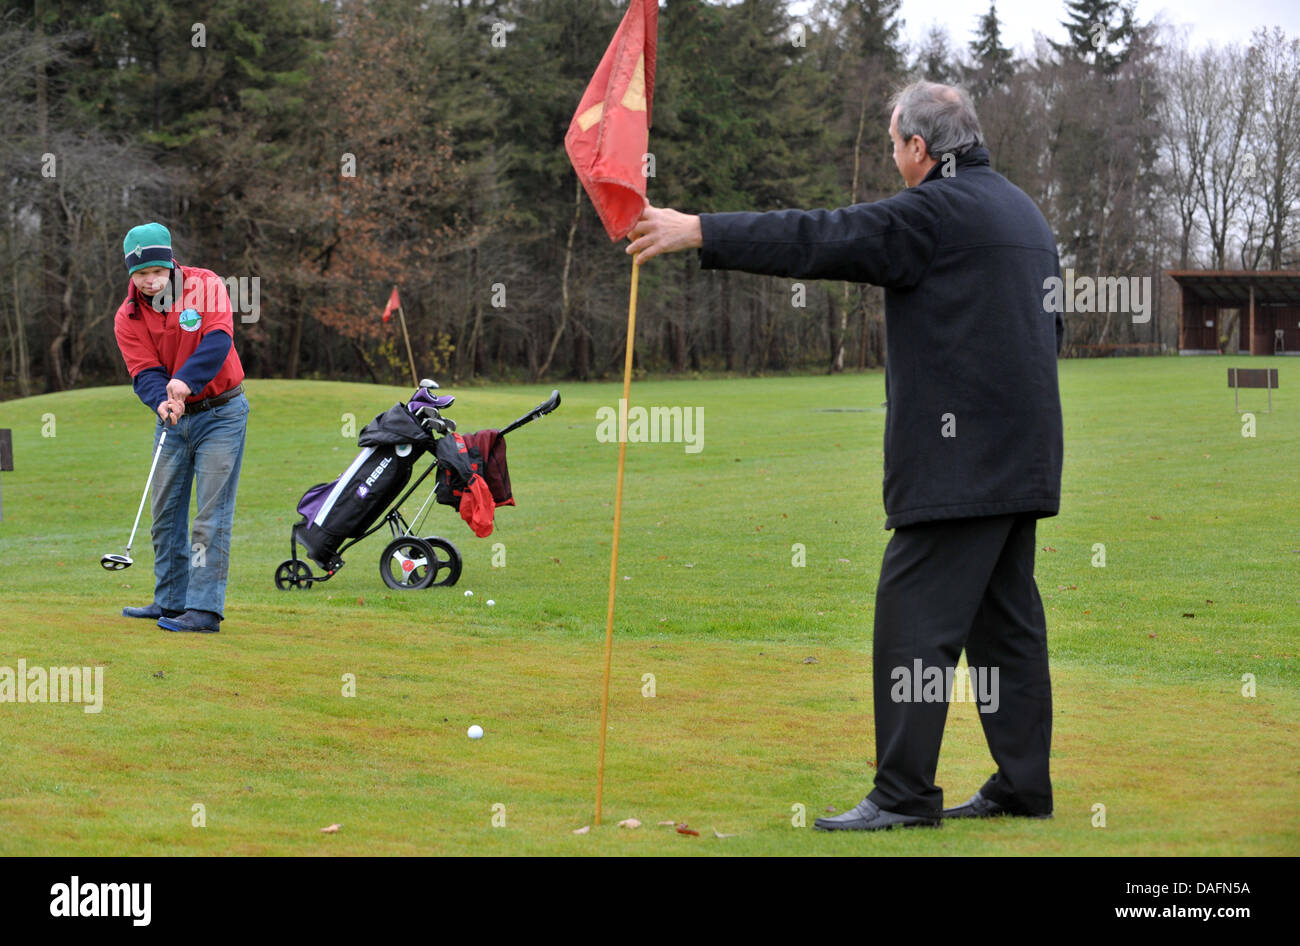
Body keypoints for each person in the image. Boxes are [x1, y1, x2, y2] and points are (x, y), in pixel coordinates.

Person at [626, 81, 1064, 830]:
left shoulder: (934, 211)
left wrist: (700, 228)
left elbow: (821, 236)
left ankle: (902, 796)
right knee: (1004, 626)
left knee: (914, 625)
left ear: (919, 149)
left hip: (960, 466)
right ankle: (1021, 786)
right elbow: (1050, 333)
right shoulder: (1023, 212)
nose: (893, 159)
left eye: (894, 145)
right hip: (1023, 460)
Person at [113, 222, 249, 634]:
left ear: (170, 263)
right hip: (173, 420)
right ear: (131, 275)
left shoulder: (205, 285)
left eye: (156, 271)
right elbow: (144, 371)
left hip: (221, 413)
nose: (150, 281)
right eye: (141, 274)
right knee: (165, 513)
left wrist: (184, 381)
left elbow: (217, 340)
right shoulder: (128, 315)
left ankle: (204, 610)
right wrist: (161, 400)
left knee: (209, 515)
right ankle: (170, 601)